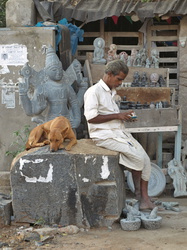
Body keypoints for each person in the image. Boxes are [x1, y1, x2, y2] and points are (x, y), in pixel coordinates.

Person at [84, 59, 155, 210]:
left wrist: (124, 117)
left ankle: (145, 200)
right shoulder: (93, 92)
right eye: (119, 79)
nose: (120, 83)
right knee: (138, 159)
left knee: (146, 161)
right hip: (103, 137)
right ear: (109, 74)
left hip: (120, 134)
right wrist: (118, 116)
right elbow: (91, 118)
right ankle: (138, 196)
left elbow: (111, 116)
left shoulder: (111, 93)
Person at [19, 46, 81, 129]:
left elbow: (74, 103)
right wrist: (38, 108)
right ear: (46, 71)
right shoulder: (42, 88)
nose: (58, 72)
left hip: (67, 120)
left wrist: (77, 119)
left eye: (59, 69)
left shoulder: (67, 87)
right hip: (50, 121)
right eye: (54, 70)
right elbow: (30, 111)